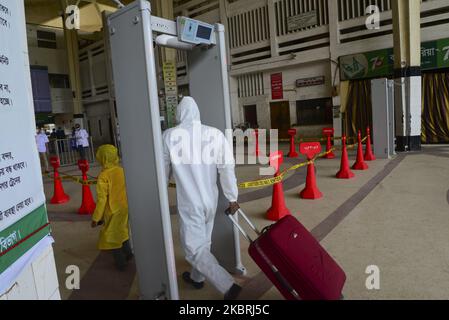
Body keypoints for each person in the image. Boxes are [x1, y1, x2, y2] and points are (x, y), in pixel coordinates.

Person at [162, 96, 242, 300]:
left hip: (190, 203)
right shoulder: (214, 134)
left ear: (179, 114)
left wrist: (159, 194)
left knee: (192, 249)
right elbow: (226, 168)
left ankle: (228, 285)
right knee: (203, 242)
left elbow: (162, 173)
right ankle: (197, 278)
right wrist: (232, 197)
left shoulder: (169, 136)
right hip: (211, 201)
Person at [91, 144, 132, 271]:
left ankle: (121, 263)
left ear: (103, 159)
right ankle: (129, 253)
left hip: (112, 210)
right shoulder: (121, 170)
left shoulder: (103, 176)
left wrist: (96, 218)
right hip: (125, 207)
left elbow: (102, 200)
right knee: (123, 230)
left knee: (112, 237)